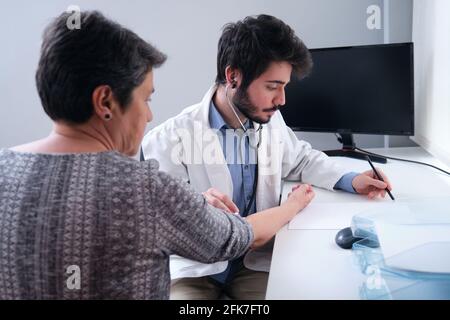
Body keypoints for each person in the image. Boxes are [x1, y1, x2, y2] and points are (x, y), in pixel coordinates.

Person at [0, 11, 314, 300]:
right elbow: (239, 236)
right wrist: (295, 204)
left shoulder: (4, 169)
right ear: (105, 102)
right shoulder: (148, 190)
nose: (149, 115)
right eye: (146, 99)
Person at [142, 14, 393, 300]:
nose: (282, 99)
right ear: (233, 76)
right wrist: (197, 205)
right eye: (272, 86)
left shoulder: (269, 120)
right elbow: (161, 220)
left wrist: (352, 179)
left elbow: (300, 158)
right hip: (196, 268)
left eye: (284, 86)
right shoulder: (168, 138)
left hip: (254, 262)